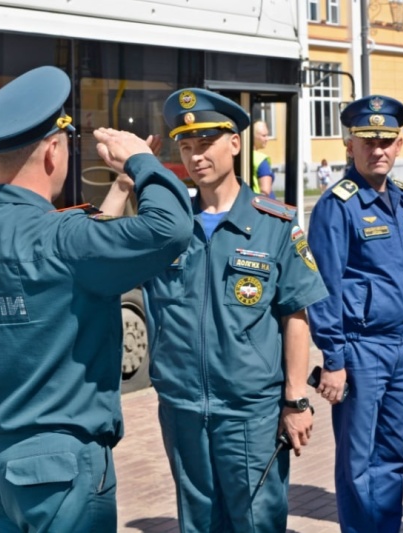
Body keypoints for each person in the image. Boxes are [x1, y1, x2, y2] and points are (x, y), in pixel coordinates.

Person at [0, 66, 193, 532]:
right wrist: (139, 162)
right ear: (53, 152)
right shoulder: (65, 239)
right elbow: (170, 230)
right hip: (60, 467)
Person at [101, 88, 328, 532]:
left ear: (235, 144)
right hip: (183, 406)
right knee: (199, 522)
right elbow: (98, 250)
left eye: (205, 143)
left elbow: (295, 316)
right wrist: (127, 181)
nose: (195, 156)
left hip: (251, 412)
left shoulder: (273, 224)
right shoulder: (168, 228)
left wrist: (296, 399)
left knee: (256, 523)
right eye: (186, 146)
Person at [307, 95, 403, 533]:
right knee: (359, 461)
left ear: (398, 146)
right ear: (350, 146)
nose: (378, 150)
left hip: (400, 348)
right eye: (368, 141)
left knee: (394, 455)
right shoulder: (336, 205)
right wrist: (334, 361)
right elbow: (323, 287)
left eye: (387, 141)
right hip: (360, 350)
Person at [252, 120, 276, 197]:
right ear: (253, 136)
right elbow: (265, 191)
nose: (267, 139)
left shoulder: (240, 157)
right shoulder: (261, 160)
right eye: (264, 136)